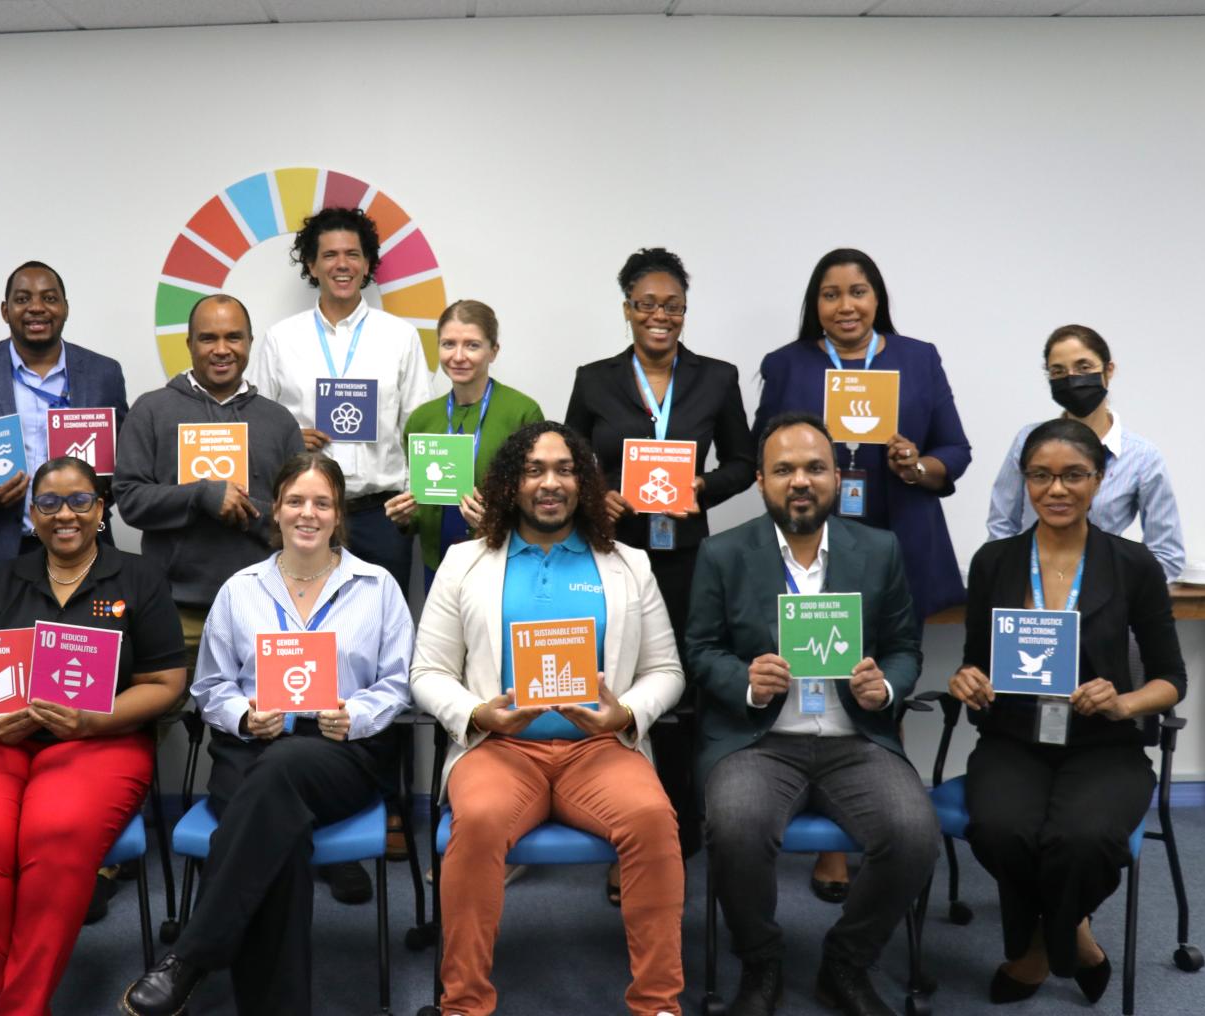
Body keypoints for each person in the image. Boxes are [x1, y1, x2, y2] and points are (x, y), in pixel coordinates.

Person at [120, 454, 414, 1016]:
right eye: (296, 502)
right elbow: (211, 685)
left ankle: (190, 957)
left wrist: (355, 713)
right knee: (281, 827)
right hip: (251, 747)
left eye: (322, 503)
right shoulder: (241, 589)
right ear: (275, 510)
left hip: (339, 752)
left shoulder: (377, 587)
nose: (309, 513)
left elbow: (397, 684)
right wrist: (244, 715)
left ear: (338, 516)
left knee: (278, 779)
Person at [411, 421, 686, 1016]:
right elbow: (427, 673)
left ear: (583, 484)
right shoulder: (463, 563)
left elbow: (667, 669)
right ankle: (463, 1003)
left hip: (600, 752)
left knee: (652, 817)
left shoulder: (628, 564)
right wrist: (478, 713)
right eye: (534, 470)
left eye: (564, 470)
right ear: (511, 484)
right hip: (499, 751)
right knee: (479, 818)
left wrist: (626, 713)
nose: (550, 483)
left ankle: (658, 1004)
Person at [685, 413, 939, 1016]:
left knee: (913, 835)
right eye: (784, 469)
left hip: (857, 739)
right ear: (762, 482)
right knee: (736, 827)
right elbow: (700, 650)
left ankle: (845, 963)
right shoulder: (723, 553)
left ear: (835, 477)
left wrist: (887, 689)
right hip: (760, 741)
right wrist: (745, 682)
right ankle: (761, 960)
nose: (801, 481)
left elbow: (905, 648)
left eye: (814, 468)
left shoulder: (878, 550)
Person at [0, 456, 187, 1016]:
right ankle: (16, 1003)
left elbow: (167, 683)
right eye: (48, 503)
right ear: (32, 513)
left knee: (56, 830)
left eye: (79, 501)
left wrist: (94, 719)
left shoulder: (139, 579)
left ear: (101, 510)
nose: (64, 514)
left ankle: (14, 1006)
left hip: (99, 741)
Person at [753, 247, 970, 903]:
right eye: (830, 294)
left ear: (878, 298)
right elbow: (764, 446)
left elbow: (955, 451)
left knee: (879, 684)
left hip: (893, 546)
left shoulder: (918, 357)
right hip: (810, 545)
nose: (845, 306)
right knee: (815, 671)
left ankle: (877, 829)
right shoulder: (788, 365)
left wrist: (918, 465)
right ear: (814, 304)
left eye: (858, 292)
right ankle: (834, 846)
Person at [950, 418, 1185, 1005]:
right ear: (1025, 481)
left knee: (1081, 840)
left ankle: (1036, 950)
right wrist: (967, 680)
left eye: (1073, 475)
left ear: (1099, 480)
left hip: (1104, 744)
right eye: (1040, 476)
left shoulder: (1133, 564)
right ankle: (1074, 936)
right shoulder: (993, 562)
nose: (1056, 489)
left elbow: (1171, 680)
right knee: (1003, 830)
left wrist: (1123, 700)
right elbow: (974, 663)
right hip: (1013, 739)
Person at [565, 247, 754, 890]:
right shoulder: (594, 379)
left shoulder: (717, 378)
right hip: (613, 552)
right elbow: (569, 457)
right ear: (626, 310)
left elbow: (744, 460)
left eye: (671, 305)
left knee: (681, 687)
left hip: (687, 559)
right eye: (646, 304)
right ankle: (618, 825)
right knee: (616, 680)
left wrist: (703, 487)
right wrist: (599, 493)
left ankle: (677, 823)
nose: (659, 315)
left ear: (684, 311)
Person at [112, 293, 305, 667]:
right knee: (162, 718)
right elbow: (130, 498)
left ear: (250, 342)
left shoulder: (279, 421)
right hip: (172, 607)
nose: (221, 350)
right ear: (188, 343)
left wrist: (244, 507)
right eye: (207, 338)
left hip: (261, 607)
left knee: (252, 723)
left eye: (233, 337)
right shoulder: (151, 410)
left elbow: (298, 514)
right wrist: (200, 494)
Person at [251, 207, 433, 598]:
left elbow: (420, 428)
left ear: (367, 264)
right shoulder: (281, 339)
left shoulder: (400, 337)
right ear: (312, 266)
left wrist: (409, 505)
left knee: (380, 636)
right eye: (330, 255)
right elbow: (261, 429)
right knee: (305, 628)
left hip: (381, 516)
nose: (342, 264)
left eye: (353, 254)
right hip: (306, 516)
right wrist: (289, 437)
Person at [0, 260, 131, 582]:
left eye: (49, 298)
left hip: (87, 546)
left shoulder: (103, 373)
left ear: (66, 307)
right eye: (23, 299)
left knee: (88, 634)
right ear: (5, 310)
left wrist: (106, 487)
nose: (36, 308)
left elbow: (127, 454)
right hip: (2, 550)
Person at [986, 324, 1185, 580]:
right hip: (1032, 596)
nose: (1072, 379)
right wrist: (1015, 582)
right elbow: (1002, 525)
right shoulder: (1028, 441)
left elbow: (1167, 553)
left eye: (1084, 367)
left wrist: (1119, 594)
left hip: (1107, 598)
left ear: (1108, 370)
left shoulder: (1142, 457)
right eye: (1058, 371)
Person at [385, 299, 545, 588]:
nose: (458, 356)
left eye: (472, 345)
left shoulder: (522, 412)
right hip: (438, 562)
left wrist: (496, 520)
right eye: (448, 344)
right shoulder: (422, 419)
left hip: (503, 559)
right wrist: (405, 518)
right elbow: (422, 505)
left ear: (493, 351)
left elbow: (539, 496)